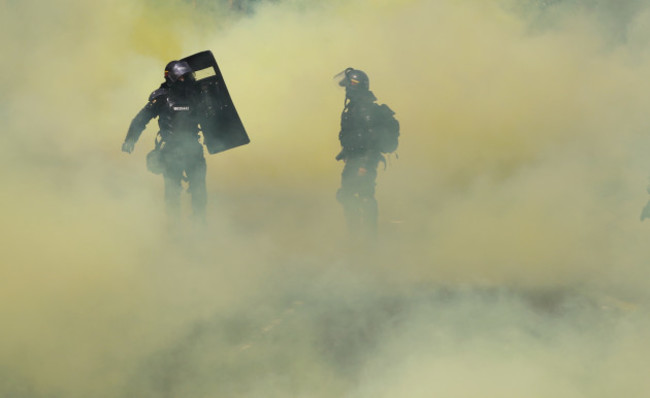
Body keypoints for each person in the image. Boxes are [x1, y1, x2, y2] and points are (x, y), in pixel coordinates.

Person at [122, 60, 208, 222]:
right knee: (172, 193)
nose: (187, 80)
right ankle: (174, 229)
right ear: (173, 78)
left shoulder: (198, 96)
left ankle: (200, 226)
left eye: (188, 76)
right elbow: (141, 119)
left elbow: (215, 118)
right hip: (170, 152)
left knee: (199, 192)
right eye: (183, 77)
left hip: (193, 151)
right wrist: (130, 139)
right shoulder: (161, 97)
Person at [335, 67, 400, 239]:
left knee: (363, 196)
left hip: (363, 162)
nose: (346, 90)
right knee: (347, 195)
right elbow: (355, 136)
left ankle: (367, 237)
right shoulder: (356, 107)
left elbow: (372, 140)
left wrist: (365, 165)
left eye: (348, 86)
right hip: (354, 160)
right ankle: (356, 234)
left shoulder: (365, 110)